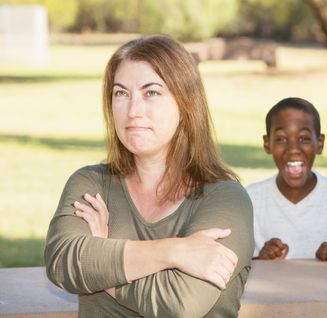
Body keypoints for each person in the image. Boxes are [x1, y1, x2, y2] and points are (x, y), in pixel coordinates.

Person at [44, 35, 254, 317]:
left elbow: (179, 303)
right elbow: (63, 264)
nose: (133, 111)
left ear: (185, 104)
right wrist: (173, 251)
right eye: (121, 93)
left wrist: (102, 260)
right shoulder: (91, 184)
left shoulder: (227, 200)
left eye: (151, 92)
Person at [246, 97, 327, 261]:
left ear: (320, 143)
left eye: (304, 138)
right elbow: (236, 266)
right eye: (281, 139)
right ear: (267, 144)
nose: (293, 149)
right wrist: (261, 259)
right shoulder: (249, 200)